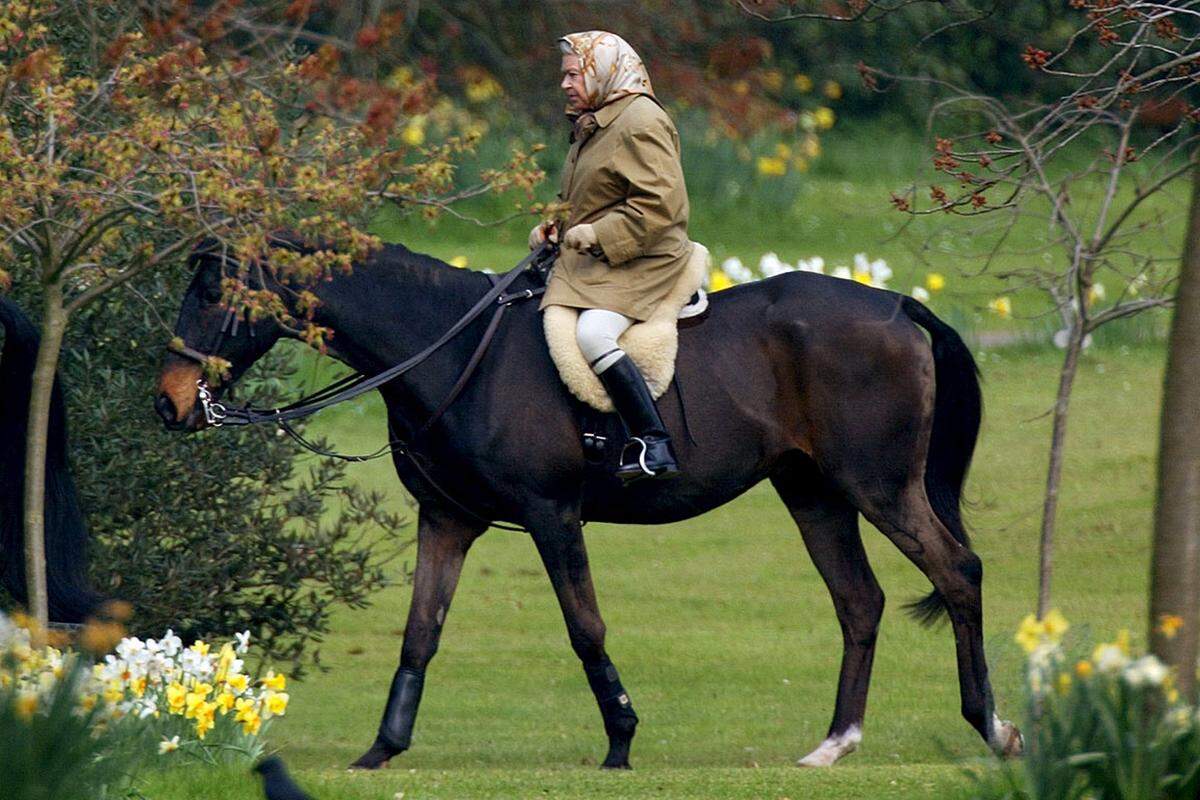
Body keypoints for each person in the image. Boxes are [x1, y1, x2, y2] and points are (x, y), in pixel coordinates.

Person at [531, 30, 693, 484]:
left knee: (594, 334)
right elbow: (595, 197)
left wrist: (598, 234)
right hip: (604, 256)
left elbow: (662, 205)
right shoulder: (596, 120)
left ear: (603, 68)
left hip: (647, 257)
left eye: (573, 73)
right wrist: (556, 227)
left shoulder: (640, 120)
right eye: (563, 75)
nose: (564, 83)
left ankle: (653, 441)